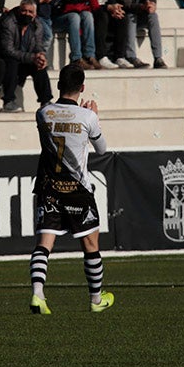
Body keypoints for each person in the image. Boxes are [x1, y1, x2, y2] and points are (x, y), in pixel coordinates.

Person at [29, 63, 114, 315]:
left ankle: (37, 294)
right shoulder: (87, 117)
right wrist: (94, 117)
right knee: (90, 243)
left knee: (44, 243)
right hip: (77, 188)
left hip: (49, 186)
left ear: (58, 85)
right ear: (83, 88)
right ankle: (96, 299)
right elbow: (102, 149)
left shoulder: (43, 113)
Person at [0, 0, 53, 113]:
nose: (26, 14)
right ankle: (8, 101)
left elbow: (38, 46)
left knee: (40, 66)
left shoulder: (37, 25)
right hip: (3, 59)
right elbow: (8, 50)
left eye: (30, 12)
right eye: (24, 11)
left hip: (24, 59)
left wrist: (40, 56)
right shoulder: (8, 22)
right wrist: (32, 57)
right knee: (12, 62)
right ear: (19, 11)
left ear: (35, 14)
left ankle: (46, 101)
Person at [115, 0, 165, 68]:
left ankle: (158, 57)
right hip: (126, 17)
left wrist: (150, 6)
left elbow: (152, 0)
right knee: (130, 15)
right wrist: (142, 6)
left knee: (153, 16)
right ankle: (131, 56)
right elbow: (127, 5)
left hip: (142, 15)